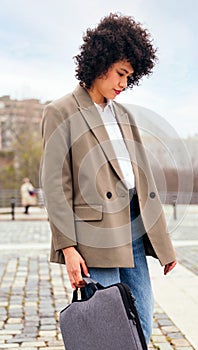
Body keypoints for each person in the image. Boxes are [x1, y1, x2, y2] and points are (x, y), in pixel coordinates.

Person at [41, 13, 176, 345]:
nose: (123, 84)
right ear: (99, 62)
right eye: (120, 73)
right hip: (94, 238)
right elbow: (56, 187)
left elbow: (142, 182)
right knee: (109, 331)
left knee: (142, 320)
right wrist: (69, 249)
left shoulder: (124, 115)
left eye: (130, 76)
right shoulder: (60, 112)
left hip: (132, 230)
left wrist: (164, 245)